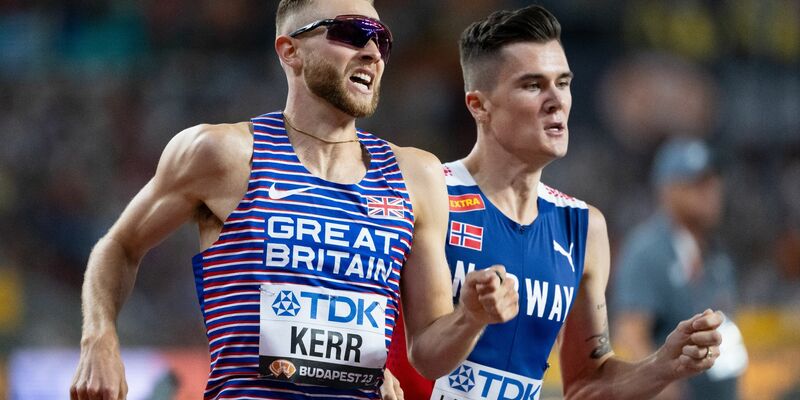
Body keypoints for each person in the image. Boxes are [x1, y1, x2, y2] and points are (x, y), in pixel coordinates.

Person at [69, 1, 519, 399]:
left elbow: (429, 355)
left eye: (381, 38)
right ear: (291, 51)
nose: (373, 51)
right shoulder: (224, 154)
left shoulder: (415, 175)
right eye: (351, 33)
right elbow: (119, 247)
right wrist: (99, 339)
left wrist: (471, 317)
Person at [383, 5, 725, 400]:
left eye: (563, 83)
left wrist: (663, 364)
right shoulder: (428, 192)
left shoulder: (582, 228)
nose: (556, 101)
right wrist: (469, 317)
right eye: (532, 85)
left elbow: (586, 384)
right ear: (479, 105)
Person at [612, 137, 748, 399]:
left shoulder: (717, 255)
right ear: (668, 189)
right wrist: (661, 386)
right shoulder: (647, 250)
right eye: (698, 183)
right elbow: (629, 333)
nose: (712, 191)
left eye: (714, 181)